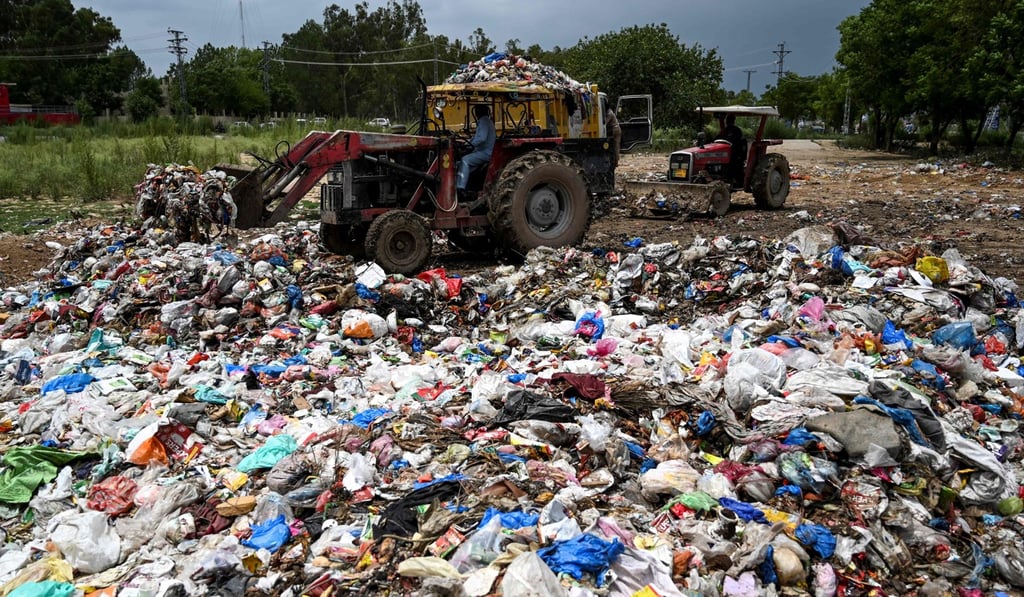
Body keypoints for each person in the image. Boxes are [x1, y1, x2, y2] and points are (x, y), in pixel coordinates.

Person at [456, 104, 496, 191]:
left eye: (477, 111)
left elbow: (481, 139)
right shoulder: (487, 121)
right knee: (459, 165)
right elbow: (477, 138)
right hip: (483, 151)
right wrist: (469, 142)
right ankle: (468, 188)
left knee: (465, 160)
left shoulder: (484, 121)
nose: (476, 113)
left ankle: (460, 188)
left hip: (485, 153)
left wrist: (469, 145)